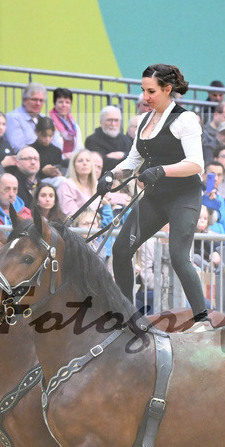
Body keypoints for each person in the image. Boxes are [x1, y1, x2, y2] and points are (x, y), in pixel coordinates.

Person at [107, 63, 210, 330]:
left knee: (178, 255)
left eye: (151, 91)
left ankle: (202, 319)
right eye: (143, 90)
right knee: (120, 250)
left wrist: (162, 170)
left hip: (183, 196)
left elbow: (196, 164)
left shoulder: (185, 119)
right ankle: (127, 313)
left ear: (167, 89)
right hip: (155, 196)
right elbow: (133, 160)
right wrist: (111, 175)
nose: (145, 97)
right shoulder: (144, 120)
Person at [85, 105, 131, 174]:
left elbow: (136, 159)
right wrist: (126, 158)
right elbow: (104, 164)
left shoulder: (125, 140)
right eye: (109, 120)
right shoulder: (92, 140)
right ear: (101, 122)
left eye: (116, 120)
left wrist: (122, 155)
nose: (113, 124)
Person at [57, 149, 100, 217]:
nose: (85, 163)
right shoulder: (66, 185)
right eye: (80, 161)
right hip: (76, 226)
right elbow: (71, 215)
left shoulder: (97, 185)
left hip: (98, 225)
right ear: (73, 165)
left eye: (88, 160)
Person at [6, 82, 46, 151]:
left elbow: (56, 143)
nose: (38, 103)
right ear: (25, 100)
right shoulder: (13, 117)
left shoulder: (44, 118)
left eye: (41, 100)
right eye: (34, 100)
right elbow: (17, 146)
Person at [49, 87, 81, 164]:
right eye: (60, 102)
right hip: (55, 162)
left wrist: (73, 155)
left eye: (67, 102)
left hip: (72, 162)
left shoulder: (75, 126)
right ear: (54, 103)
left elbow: (80, 147)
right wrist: (63, 156)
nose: (64, 105)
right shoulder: (49, 123)